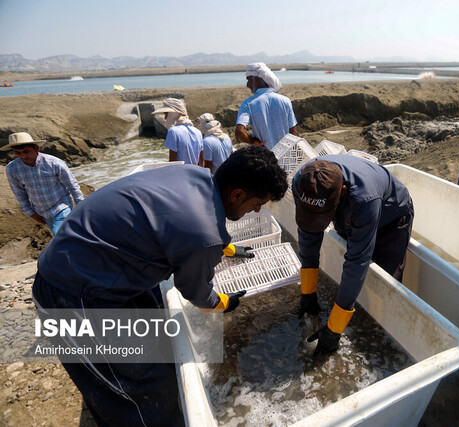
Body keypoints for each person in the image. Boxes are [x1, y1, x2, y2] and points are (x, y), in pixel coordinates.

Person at [32, 146, 288, 425]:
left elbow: (171, 222)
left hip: (97, 262)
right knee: (140, 387)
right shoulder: (203, 235)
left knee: (159, 340)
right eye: (256, 203)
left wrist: (225, 247)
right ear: (237, 194)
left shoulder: (192, 174)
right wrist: (225, 302)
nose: (257, 210)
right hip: (72, 293)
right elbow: (197, 294)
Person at [292, 155, 414, 355]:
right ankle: (348, 308)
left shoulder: (363, 200)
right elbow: (308, 236)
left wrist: (334, 329)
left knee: (384, 282)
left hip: (391, 218)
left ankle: (378, 343)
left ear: (342, 192)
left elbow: (357, 260)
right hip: (348, 212)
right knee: (355, 281)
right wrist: (308, 292)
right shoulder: (302, 181)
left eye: (322, 216)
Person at [3, 132, 84, 235]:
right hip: (41, 212)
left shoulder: (54, 163)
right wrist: (30, 213)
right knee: (65, 237)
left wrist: (81, 205)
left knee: (58, 235)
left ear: (36, 148)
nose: (23, 156)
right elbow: (18, 192)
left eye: (26, 151)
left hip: (61, 206)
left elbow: (72, 185)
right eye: (18, 152)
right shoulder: (12, 169)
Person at [235, 62, 299, 150]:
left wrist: (252, 141)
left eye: (248, 80)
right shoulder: (285, 100)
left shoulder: (248, 103)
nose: (247, 85)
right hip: (286, 155)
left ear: (256, 81)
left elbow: (239, 132)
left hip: (265, 158)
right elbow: (294, 132)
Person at [152, 98, 204, 166]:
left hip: (181, 174)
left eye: (166, 114)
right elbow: (201, 160)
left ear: (173, 114)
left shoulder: (173, 131)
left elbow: (172, 162)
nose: (165, 118)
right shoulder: (197, 132)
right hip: (194, 173)